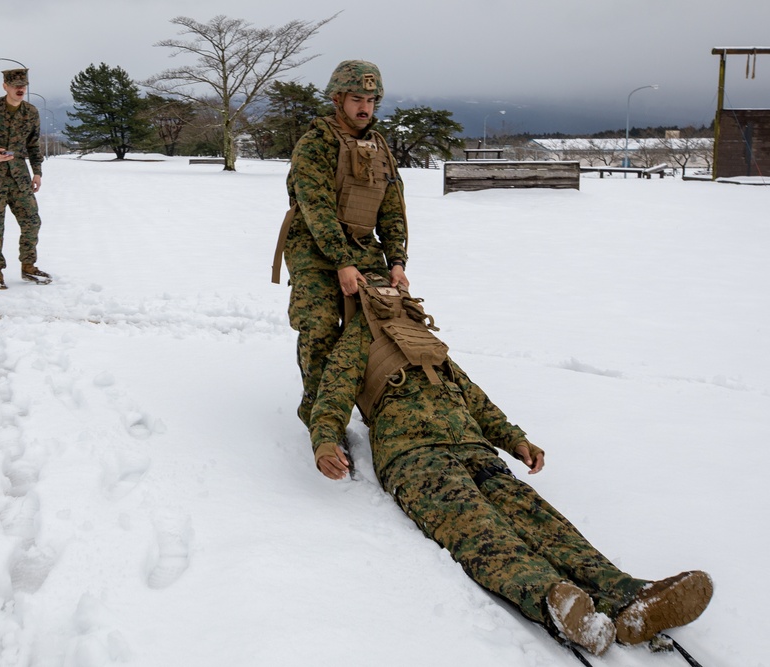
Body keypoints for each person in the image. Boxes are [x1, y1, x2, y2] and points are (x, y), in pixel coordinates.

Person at [307, 274, 713, 656]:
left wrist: (514, 439)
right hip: (412, 454)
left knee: (540, 518)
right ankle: (556, 601)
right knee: (478, 527)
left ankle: (629, 597)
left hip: (473, 446)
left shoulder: (427, 342)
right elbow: (332, 397)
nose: (389, 299)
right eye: (378, 292)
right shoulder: (355, 342)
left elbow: (475, 399)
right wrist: (324, 441)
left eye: (393, 292)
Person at [271, 60, 409, 431]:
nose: (365, 107)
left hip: (362, 247)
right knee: (320, 326)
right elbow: (317, 210)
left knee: (387, 323)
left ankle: (381, 405)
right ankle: (320, 417)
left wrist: (396, 261)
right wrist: (342, 263)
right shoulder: (314, 144)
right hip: (314, 246)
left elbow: (392, 208)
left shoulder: (379, 146)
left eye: (371, 99)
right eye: (356, 98)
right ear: (337, 99)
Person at [0, 68, 51, 289]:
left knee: (32, 222)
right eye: (15, 85)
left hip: (19, 177)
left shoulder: (30, 112)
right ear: (5, 86)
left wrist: (37, 172)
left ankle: (28, 266)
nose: (20, 89)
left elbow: (33, 145)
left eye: (23, 85)